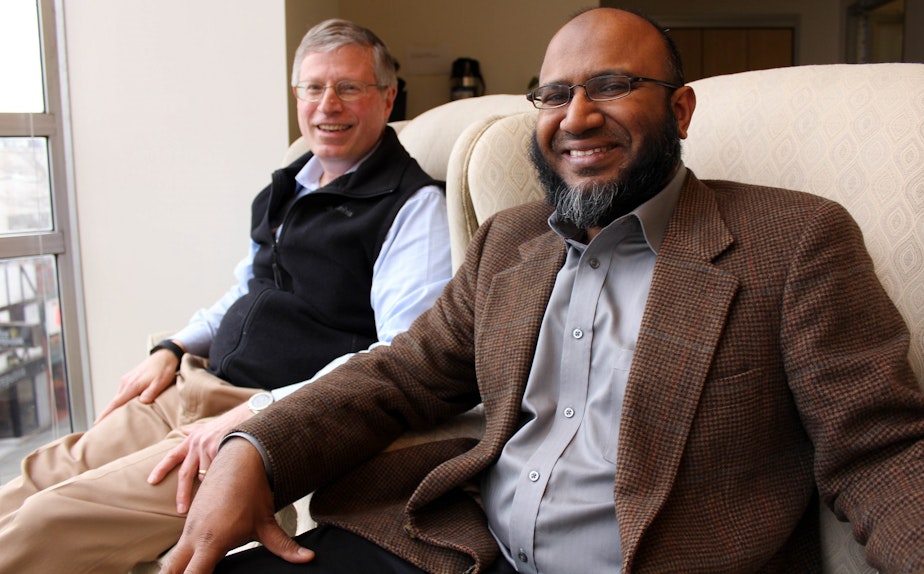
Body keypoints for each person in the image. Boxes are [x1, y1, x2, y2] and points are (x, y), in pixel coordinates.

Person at [164, 8, 924, 574]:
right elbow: (397, 375)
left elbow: (880, 449)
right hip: (462, 549)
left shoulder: (791, 242)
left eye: (614, 87)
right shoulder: (509, 241)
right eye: (555, 94)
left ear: (680, 110)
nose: (577, 117)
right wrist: (253, 450)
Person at [0, 19, 452, 573]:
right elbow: (246, 290)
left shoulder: (413, 208)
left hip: (256, 417)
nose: (327, 104)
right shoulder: (289, 185)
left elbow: (397, 357)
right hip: (191, 385)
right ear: (297, 97)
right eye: (313, 88)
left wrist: (255, 415)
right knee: (37, 477)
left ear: (387, 98)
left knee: (48, 521)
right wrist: (171, 348)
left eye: (349, 87)